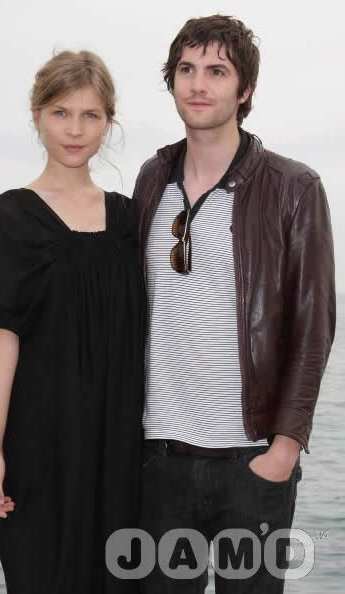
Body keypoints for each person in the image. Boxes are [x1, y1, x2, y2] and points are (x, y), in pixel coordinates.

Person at [132, 14, 336, 593]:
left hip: (251, 463)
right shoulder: (151, 180)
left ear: (244, 89)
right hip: (159, 460)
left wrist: (284, 449)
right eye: (186, 70)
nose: (198, 84)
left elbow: (313, 323)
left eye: (217, 71)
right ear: (171, 81)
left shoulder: (292, 187)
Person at [0, 49, 146, 593]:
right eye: (60, 112)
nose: (75, 129)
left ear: (108, 124)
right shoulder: (10, 216)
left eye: (90, 115)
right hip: (39, 442)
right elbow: (2, 335)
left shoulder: (130, 219)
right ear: (37, 117)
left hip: (123, 445)